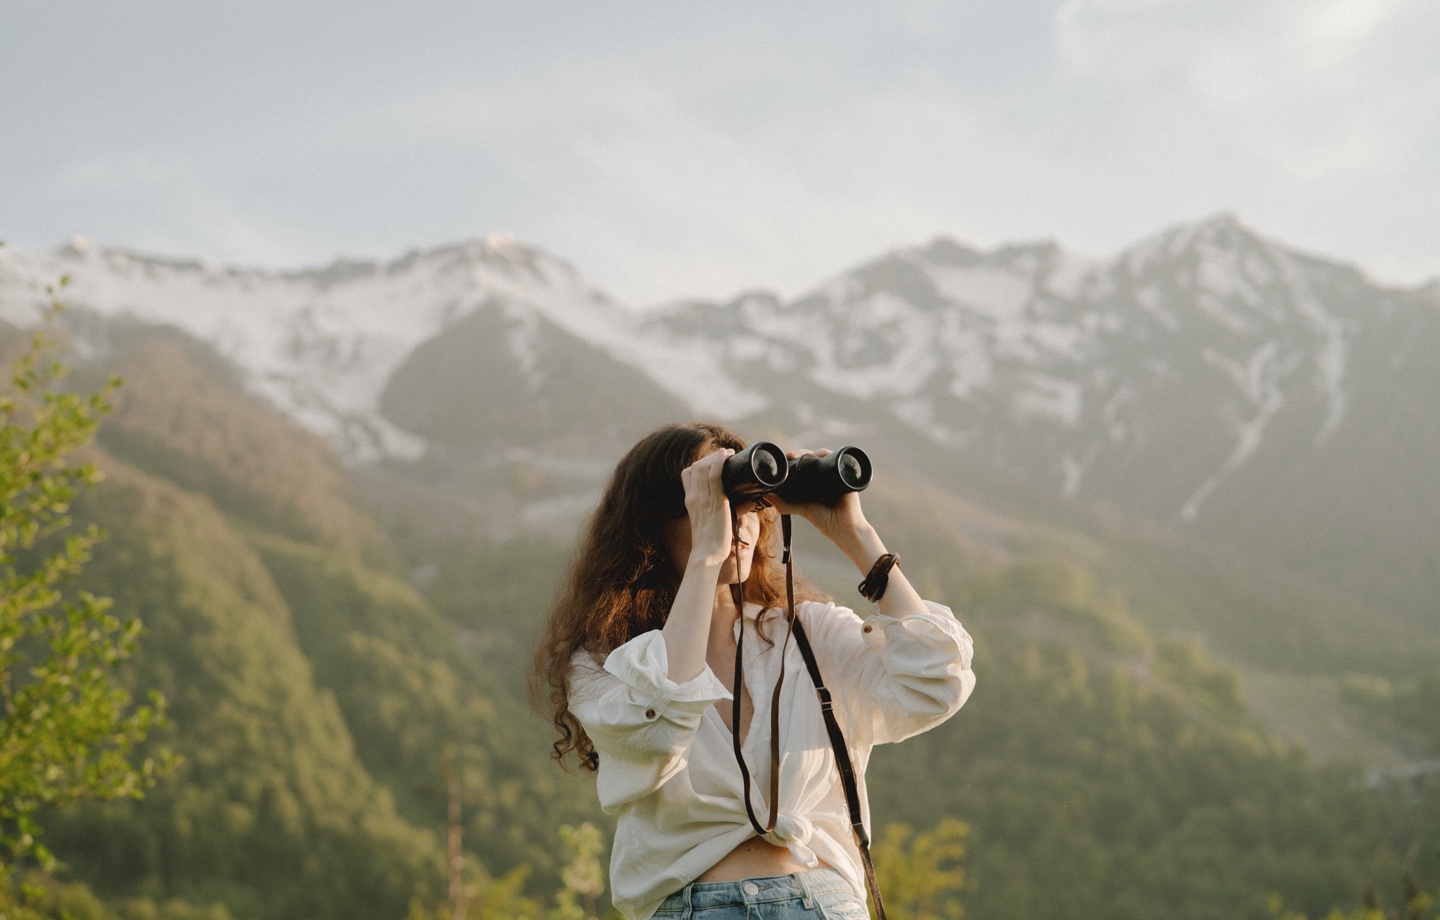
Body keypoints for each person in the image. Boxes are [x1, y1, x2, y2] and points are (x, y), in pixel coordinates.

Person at [532, 423, 975, 920]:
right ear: (655, 520)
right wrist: (705, 557)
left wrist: (854, 533)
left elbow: (936, 679)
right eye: (718, 501)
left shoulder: (806, 634)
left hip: (824, 903)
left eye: (750, 503)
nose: (739, 521)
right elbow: (657, 731)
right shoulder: (605, 661)